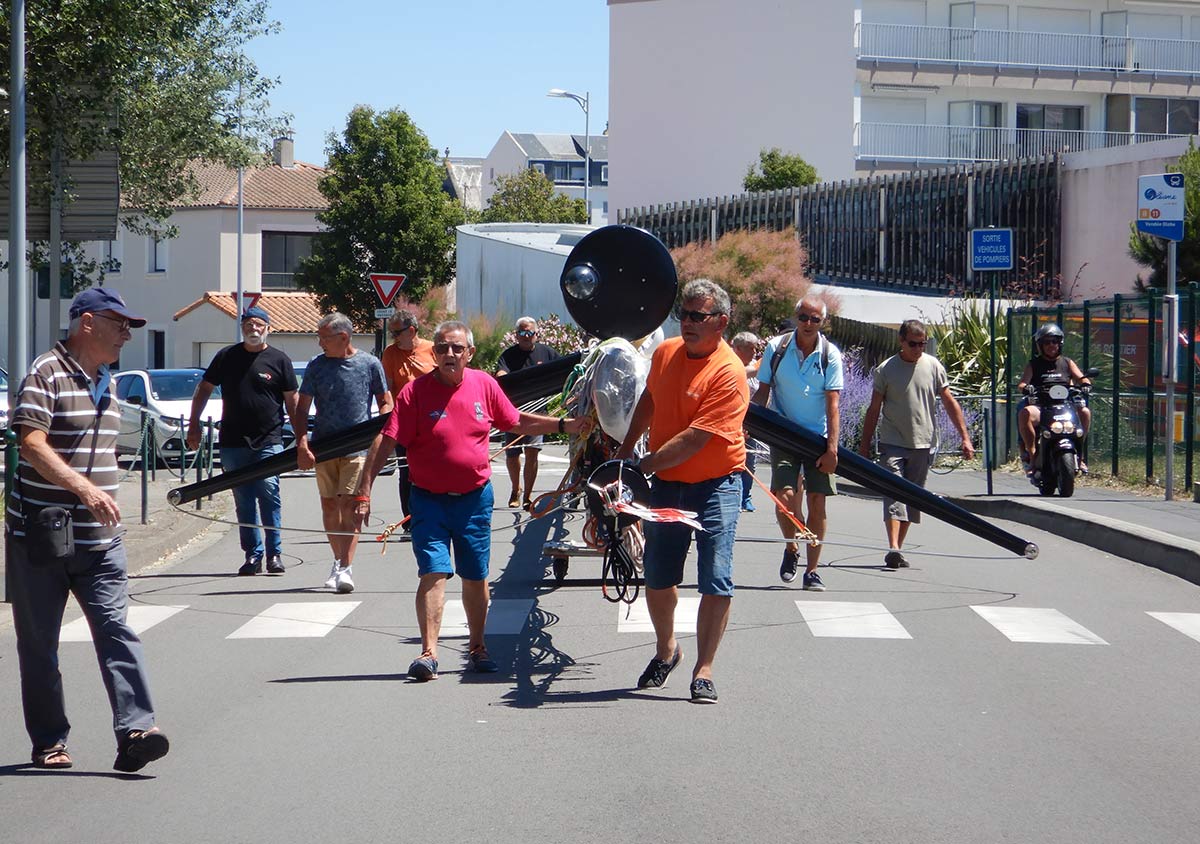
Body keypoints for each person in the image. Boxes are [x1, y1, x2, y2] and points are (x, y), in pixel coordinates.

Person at [353, 321, 589, 681]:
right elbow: (385, 441)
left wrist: (564, 425)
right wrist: (364, 491)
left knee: (475, 576)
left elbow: (516, 421)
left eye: (457, 349)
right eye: (443, 348)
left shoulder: (485, 385)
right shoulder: (414, 393)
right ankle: (429, 653)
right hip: (428, 501)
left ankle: (477, 647)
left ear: (470, 354)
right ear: (433, 354)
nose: (449, 354)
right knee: (433, 572)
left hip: (474, 500)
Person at [5, 288, 170, 772]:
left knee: (117, 629)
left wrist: (105, 488)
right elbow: (31, 442)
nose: (126, 333)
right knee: (39, 644)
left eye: (130, 326)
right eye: (119, 323)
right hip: (42, 535)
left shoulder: (109, 381)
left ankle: (137, 731)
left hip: (101, 541)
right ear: (87, 323)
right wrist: (84, 489)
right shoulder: (46, 373)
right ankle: (50, 740)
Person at [616, 279, 750, 704]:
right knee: (657, 575)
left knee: (716, 579)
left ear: (722, 322)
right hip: (670, 485)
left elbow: (695, 439)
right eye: (684, 314)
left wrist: (644, 465)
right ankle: (666, 650)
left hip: (717, 486)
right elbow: (650, 399)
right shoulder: (666, 352)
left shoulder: (728, 372)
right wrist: (625, 450)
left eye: (698, 316)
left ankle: (704, 669)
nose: (687, 323)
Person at [186, 306, 298, 575]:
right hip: (233, 442)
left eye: (258, 324)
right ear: (242, 329)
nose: (253, 329)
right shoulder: (226, 357)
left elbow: (293, 401)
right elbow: (204, 389)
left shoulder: (279, 360)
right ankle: (253, 555)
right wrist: (193, 425)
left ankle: (274, 554)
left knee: (269, 495)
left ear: (268, 327)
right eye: (248, 324)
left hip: (269, 440)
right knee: (244, 500)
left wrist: (302, 437)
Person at [857, 319, 975, 568]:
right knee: (893, 492)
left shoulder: (933, 366)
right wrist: (865, 445)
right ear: (901, 341)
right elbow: (874, 409)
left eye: (923, 344)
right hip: (892, 442)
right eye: (913, 344)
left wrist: (965, 437)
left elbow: (950, 403)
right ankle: (893, 546)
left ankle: (896, 549)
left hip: (923, 443)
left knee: (913, 498)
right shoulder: (886, 370)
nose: (918, 349)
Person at [294, 313, 391, 593]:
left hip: (358, 446)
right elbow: (302, 408)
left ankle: (346, 568)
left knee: (350, 506)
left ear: (343, 337)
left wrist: (379, 430)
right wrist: (302, 444)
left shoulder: (369, 364)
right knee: (329, 506)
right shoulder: (317, 366)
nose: (320, 342)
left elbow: (385, 401)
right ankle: (338, 560)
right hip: (323, 445)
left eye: (324, 337)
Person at [752, 295, 842, 591]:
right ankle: (792, 548)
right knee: (785, 500)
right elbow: (762, 392)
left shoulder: (830, 355)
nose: (808, 324)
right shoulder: (777, 349)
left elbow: (833, 405)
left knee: (817, 500)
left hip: (817, 437)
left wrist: (832, 448)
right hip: (785, 432)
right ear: (796, 317)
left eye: (814, 319)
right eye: (803, 317)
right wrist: (748, 426)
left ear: (822, 322)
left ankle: (812, 570)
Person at [380, 309, 436, 535]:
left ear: (411, 331)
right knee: (407, 472)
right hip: (405, 421)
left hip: (433, 421)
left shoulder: (432, 349)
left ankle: (433, 517)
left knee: (433, 469)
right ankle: (410, 521)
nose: (392, 337)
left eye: (396, 333)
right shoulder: (390, 354)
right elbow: (387, 389)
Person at [495, 316, 559, 510]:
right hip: (513, 412)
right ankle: (516, 489)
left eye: (530, 332)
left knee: (532, 453)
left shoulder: (547, 353)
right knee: (512, 454)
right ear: (516, 335)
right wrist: (505, 377)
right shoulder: (508, 355)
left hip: (538, 413)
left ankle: (528, 495)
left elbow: (562, 371)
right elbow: (500, 373)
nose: (526, 336)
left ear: (536, 334)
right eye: (522, 333)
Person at [1017, 323, 1092, 472]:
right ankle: (1032, 455)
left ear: (1060, 343)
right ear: (1040, 345)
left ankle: (1080, 456)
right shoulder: (1034, 364)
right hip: (1042, 406)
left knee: (1085, 412)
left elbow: (1083, 378)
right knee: (1024, 413)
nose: (1051, 345)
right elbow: (1022, 383)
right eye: (1047, 342)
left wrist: (1085, 384)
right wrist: (1027, 388)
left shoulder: (1067, 362)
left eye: (1055, 341)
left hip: (1065, 406)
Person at [730, 331, 761, 512]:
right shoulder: (731, 365)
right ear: (738, 348)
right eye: (750, 348)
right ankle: (734, 498)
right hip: (733, 421)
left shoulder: (753, 368)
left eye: (756, 348)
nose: (754, 352)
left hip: (750, 421)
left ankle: (746, 497)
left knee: (750, 461)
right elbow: (747, 372)